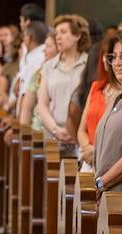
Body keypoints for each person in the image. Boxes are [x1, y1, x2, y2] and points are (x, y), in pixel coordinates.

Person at [36, 14, 90, 157]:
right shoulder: (48, 66)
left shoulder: (89, 64)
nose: (58, 37)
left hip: (81, 137)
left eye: (63, 32)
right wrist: (55, 129)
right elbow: (42, 104)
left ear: (77, 35)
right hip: (53, 136)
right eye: (56, 33)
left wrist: (77, 131)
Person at [79, 34, 122, 171]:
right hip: (90, 160)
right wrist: (88, 150)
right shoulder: (96, 87)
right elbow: (81, 129)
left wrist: (96, 152)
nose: (117, 62)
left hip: (111, 166)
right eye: (112, 57)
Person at [93, 31, 122, 193]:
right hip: (107, 196)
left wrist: (100, 183)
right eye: (113, 57)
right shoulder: (115, 99)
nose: (117, 63)